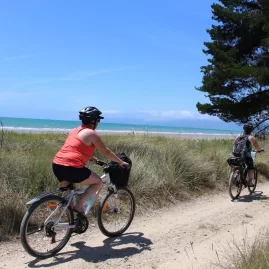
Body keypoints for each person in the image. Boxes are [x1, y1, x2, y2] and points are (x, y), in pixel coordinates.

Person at [52, 106, 129, 214]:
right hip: (71, 167)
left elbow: (75, 148)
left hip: (57, 165)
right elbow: (106, 152)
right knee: (98, 182)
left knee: (69, 194)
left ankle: (71, 220)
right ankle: (79, 206)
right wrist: (120, 162)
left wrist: (93, 159)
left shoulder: (74, 130)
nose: (98, 122)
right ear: (93, 121)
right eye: (98, 120)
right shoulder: (92, 134)